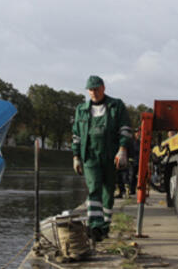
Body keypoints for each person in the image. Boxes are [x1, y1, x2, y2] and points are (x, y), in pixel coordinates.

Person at [72, 75, 132, 241]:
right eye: (90, 90)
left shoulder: (116, 106)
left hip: (111, 156)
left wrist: (122, 149)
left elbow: (126, 129)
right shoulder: (81, 110)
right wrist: (76, 156)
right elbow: (76, 135)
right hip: (90, 156)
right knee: (94, 189)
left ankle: (105, 227)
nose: (94, 92)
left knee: (108, 193)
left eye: (96, 89)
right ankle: (95, 226)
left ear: (103, 88)